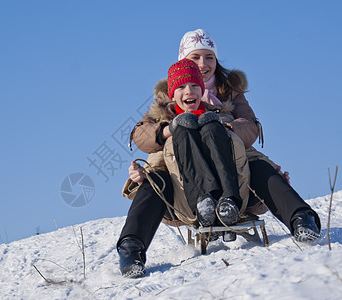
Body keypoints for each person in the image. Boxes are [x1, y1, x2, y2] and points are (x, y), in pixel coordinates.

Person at [117, 29, 321, 278]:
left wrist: (218, 126)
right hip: (183, 186)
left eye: (209, 57)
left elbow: (250, 126)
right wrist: (169, 129)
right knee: (154, 181)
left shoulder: (230, 93)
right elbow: (142, 134)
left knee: (260, 168)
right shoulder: (168, 99)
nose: (203, 64)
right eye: (195, 58)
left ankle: (301, 219)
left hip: (233, 175)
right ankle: (131, 248)